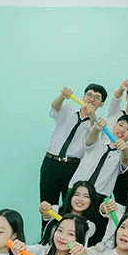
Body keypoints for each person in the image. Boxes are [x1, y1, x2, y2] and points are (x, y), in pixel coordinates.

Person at [39, 84, 105, 228]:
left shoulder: (98, 123)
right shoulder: (68, 110)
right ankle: (46, 235)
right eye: (89, 95)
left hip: (72, 166)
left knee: (68, 206)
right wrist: (63, 96)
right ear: (83, 96)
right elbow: (55, 107)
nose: (91, 99)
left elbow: (93, 135)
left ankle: (66, 234)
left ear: (101, 104)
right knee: (46, 206)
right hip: (51, 162)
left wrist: (92, 115)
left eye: (96, 98)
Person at [70, 115, 128, 199]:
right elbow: (91, 137)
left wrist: (125, 149)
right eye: (120, 125)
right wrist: (96, 128)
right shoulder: (97, 144)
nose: (122, 130)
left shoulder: (124, 155)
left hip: (99, 196)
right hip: (75, 190)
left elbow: (126, 160)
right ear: (114, 126)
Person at [39, 180, 105, 246]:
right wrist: (44, 209)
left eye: (86, 196)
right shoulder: (57, 210)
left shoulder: (89, 225)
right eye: (77, 194)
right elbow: (47, 215)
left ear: (91, 201)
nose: (80, 199)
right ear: (70, 197)